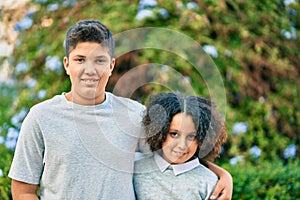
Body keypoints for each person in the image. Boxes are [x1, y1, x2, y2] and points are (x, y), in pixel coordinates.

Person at [8, 19, 232, 199]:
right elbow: (23, 191)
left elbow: (173, 149)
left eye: (99, 61)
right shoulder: (41, 117)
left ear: (111, 65)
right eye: (80, 59)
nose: (90, 70)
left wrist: (222, 175)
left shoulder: (134, 114)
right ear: (67, 64)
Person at [134, 92, 228, 200]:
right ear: (159, 132)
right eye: (174, 134)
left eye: (191, 136)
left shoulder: (209, 182)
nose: (182, 145)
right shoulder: (135, 167)